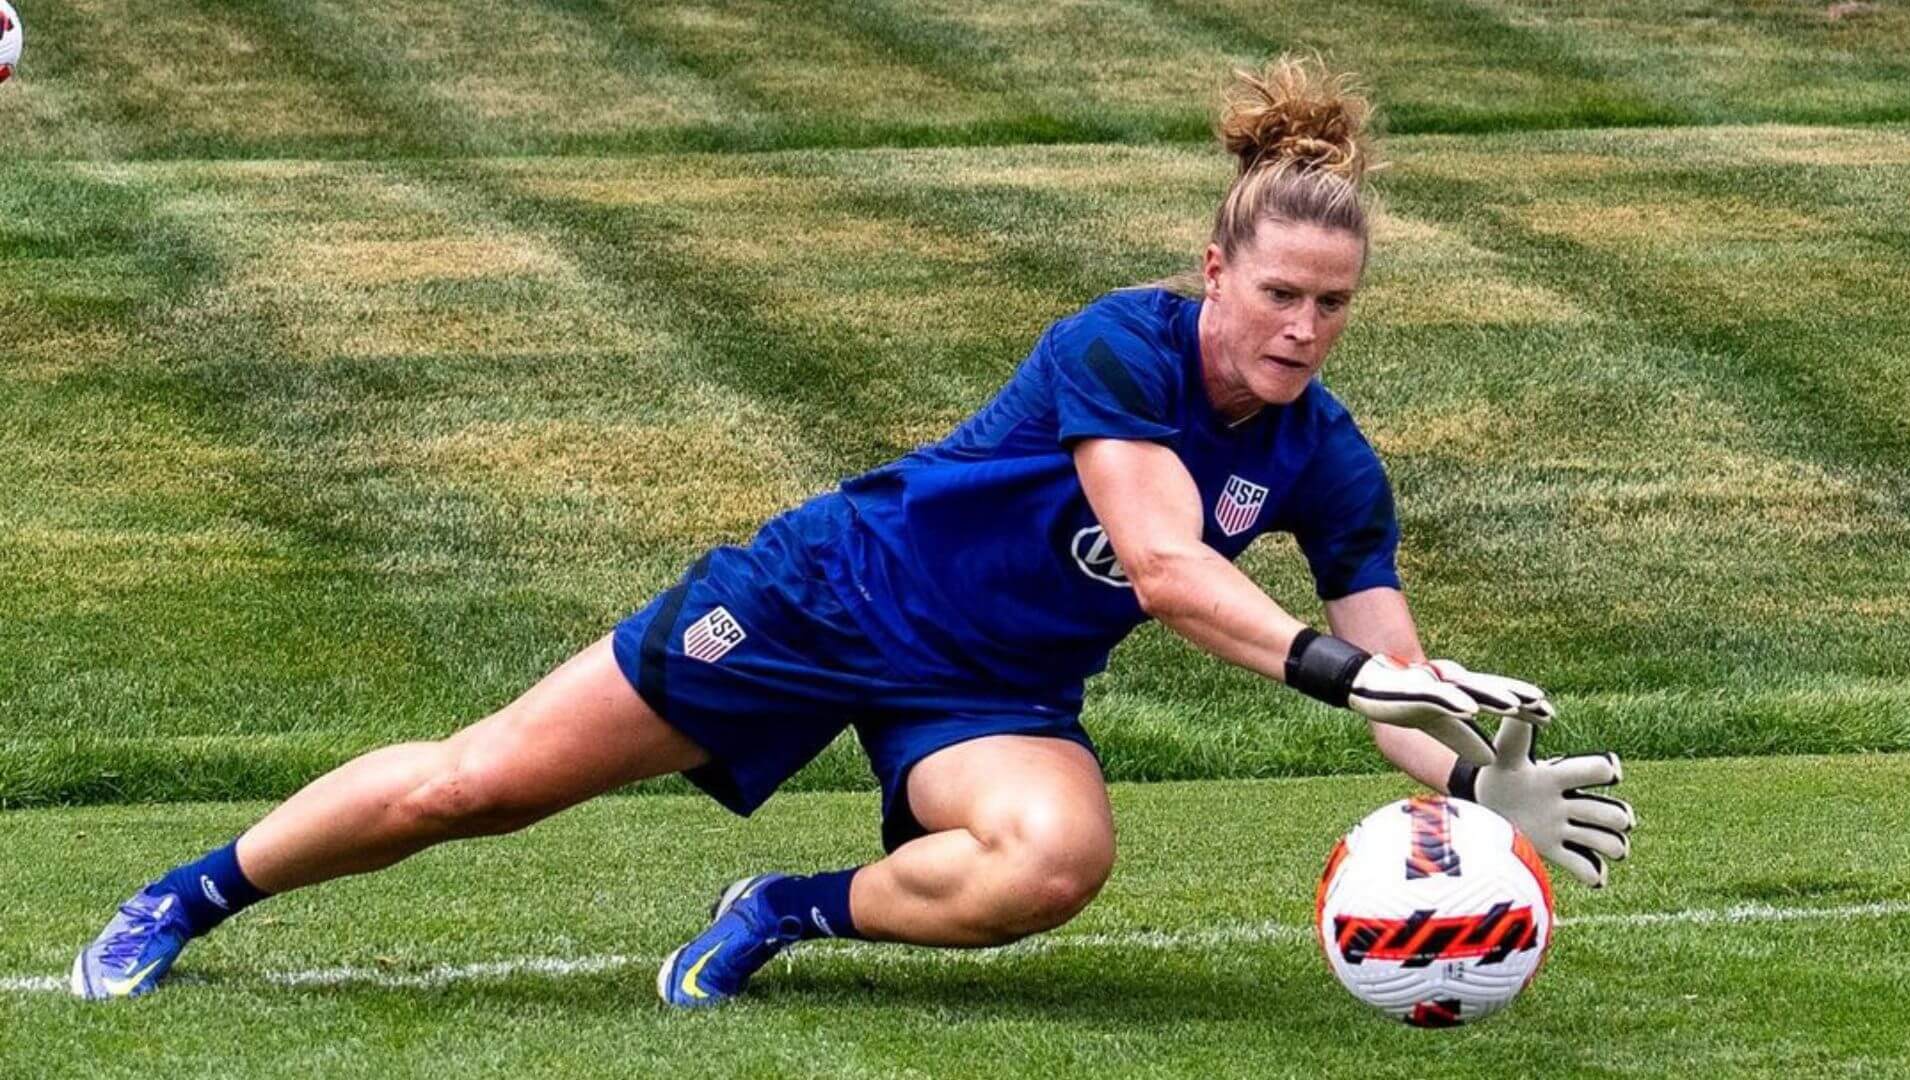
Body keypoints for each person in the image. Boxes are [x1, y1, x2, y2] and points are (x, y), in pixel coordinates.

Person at [71, 56, 1634, 1005]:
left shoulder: (1328, 462)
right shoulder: (1120, 346)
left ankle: (781, 911)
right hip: (827, 599)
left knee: (1053, 861)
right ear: (1215, 271)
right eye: (1280, 293)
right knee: (479, 787)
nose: (1303, 328)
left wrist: (1481, 770)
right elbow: (1165, 570)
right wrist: (1353, 685)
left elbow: (1396, 674)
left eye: (1334, 305)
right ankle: (195, 893)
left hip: (990, 696)